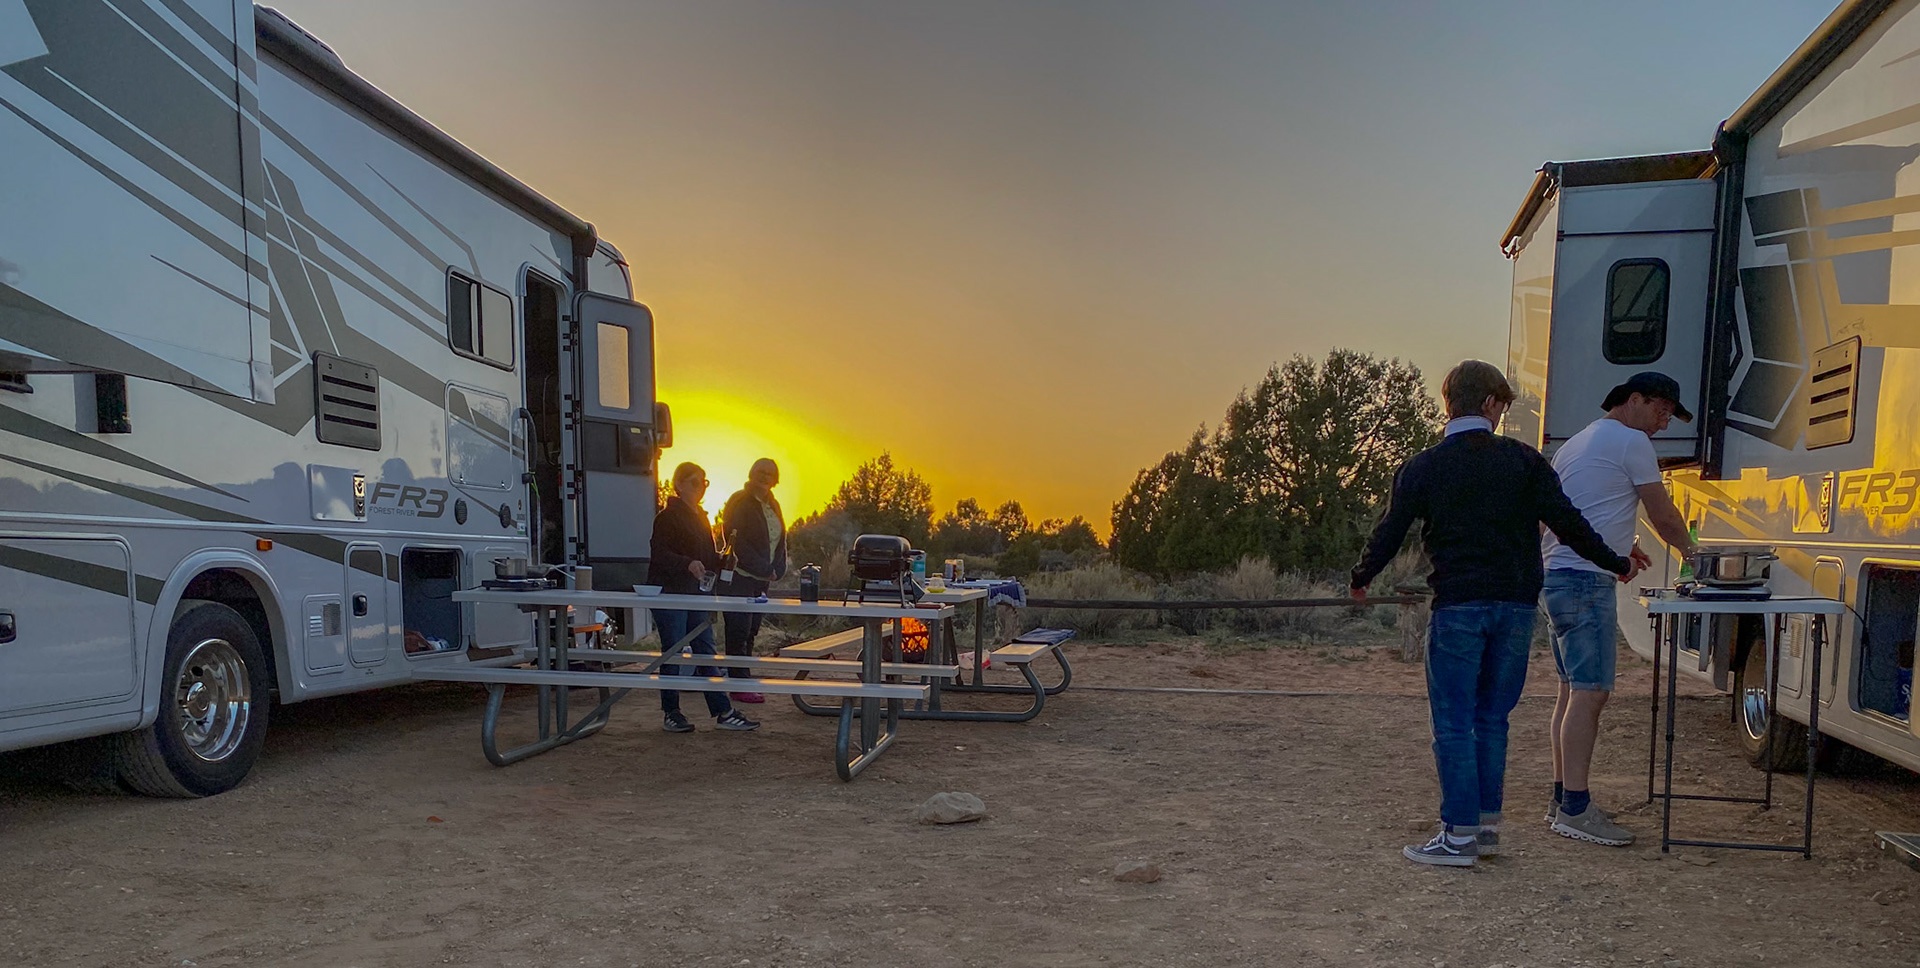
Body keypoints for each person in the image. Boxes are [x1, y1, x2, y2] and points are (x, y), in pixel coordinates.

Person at [1351, 360, 1635, 867]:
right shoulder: (1524, 461)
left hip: (1458, 604)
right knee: (1492, 719)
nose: (1503, 414)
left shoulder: (1423, 467)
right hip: (1516, 607)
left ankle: (1457, 835)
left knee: (1453, 722)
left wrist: (1362, 576)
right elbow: (1569, 523)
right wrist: (1616, 562)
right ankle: (1483, 828)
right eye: (1502, 404)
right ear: (1488, 403)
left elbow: (1390, 531)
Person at [1540, 372, 1695, 847]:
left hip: (1556, 575)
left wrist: (1619, 546)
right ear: (1634, 400)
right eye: (1661, 410)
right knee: (1591, 693)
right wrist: (1696, 556)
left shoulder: (1578, 442)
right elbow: (1663, 514)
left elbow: (1581, 508)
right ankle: (1576, 808)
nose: (1664, 423)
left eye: (1669, 416)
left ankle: (1562, 797)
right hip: (1585, 581)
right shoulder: (1632, 442)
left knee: (1570, 691)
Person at [648, 462, 759, 733]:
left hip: (696, 594)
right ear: (679, 484)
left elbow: (705, 558)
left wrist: (722, 560)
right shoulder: (667, 517)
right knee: (674, 651)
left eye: (705, 482)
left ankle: (723, 711)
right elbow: (659, 553)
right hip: (672, 594)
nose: (702, 488)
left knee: (705, 650)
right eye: (696, 482)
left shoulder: (701, 517)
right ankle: (672, 712)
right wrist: (686, 563)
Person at [719, 458, 788, 703]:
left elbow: (780, 539)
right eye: (761, 471)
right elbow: (735, 540)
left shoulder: (774, 505)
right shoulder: (739, 501)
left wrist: (778, 569)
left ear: (775, 478)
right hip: (740, 577)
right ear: (751, 473)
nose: (765, 476)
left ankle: (743, 680)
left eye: (770, 473)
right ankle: (738, 685)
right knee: (738, 632)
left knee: (750, 632)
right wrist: (764, 568)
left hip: (761, 581)